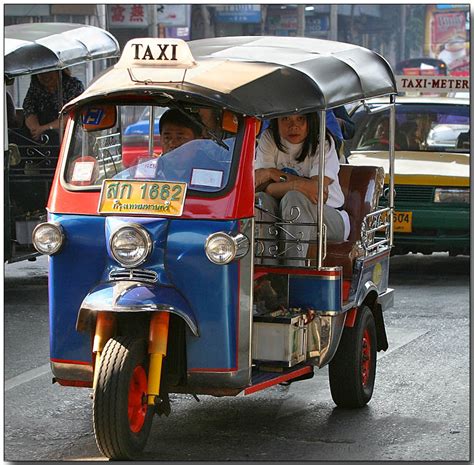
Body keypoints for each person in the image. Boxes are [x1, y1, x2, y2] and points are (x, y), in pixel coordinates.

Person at [255, 113, 350, 266]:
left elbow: (316, 190)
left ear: (310, 121)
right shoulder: (269, 138)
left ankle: (292, 275)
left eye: (300, 119)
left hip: (328, 217)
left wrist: (274, 176)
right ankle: (266, 274)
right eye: (286, 119)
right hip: (280, 212)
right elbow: (259, 184)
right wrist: (296, 185)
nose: (293, 126)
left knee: (294, 198)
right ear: (276, 121)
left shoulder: (323, 141)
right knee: (261, 200)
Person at [23, 69, 84, 143]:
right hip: (42, 140)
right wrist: (35, 129)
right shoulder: (35, 86)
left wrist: (44, 128)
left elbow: (74, 113)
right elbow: (29, 109)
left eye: (49, 72)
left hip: (69, 137)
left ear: (59, 71)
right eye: (40, 73)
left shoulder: (74, 85)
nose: (45, 76)